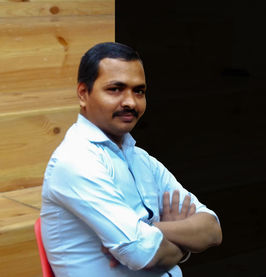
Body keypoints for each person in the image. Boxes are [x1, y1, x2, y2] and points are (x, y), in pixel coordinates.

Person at [40, 42, 222, 276]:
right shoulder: (75, 160)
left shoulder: (141, 159)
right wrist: (183, 241)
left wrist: (150, 230)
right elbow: (142, 252)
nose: (131, 102)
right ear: (83, 94)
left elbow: (212, 230)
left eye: (139, 91)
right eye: (115, 89)